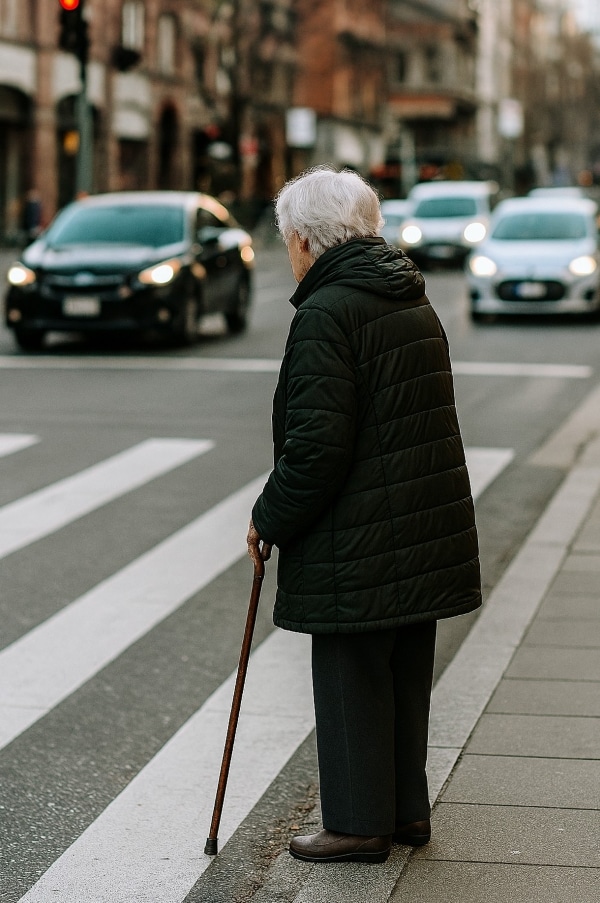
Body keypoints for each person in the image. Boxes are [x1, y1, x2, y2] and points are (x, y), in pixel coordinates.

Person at [247, 166, 481, 865]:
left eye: (290, 239)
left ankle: (357, 822)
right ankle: (405, 811)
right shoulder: (408, 297)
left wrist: (269, 516)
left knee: (351, 676)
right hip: (420, 521)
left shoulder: (328, 310)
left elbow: (317, 448)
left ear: (306, 240)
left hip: (359, 534)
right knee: (403, 676)